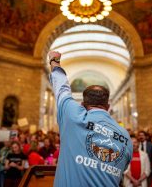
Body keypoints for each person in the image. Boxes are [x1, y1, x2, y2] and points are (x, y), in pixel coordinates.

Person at [48, 51, 133, 187]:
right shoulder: (126, 137)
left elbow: (61, 88)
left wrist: (54, 60)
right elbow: (121, 170)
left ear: (82, 105)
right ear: (108, 106)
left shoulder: (73, 116)